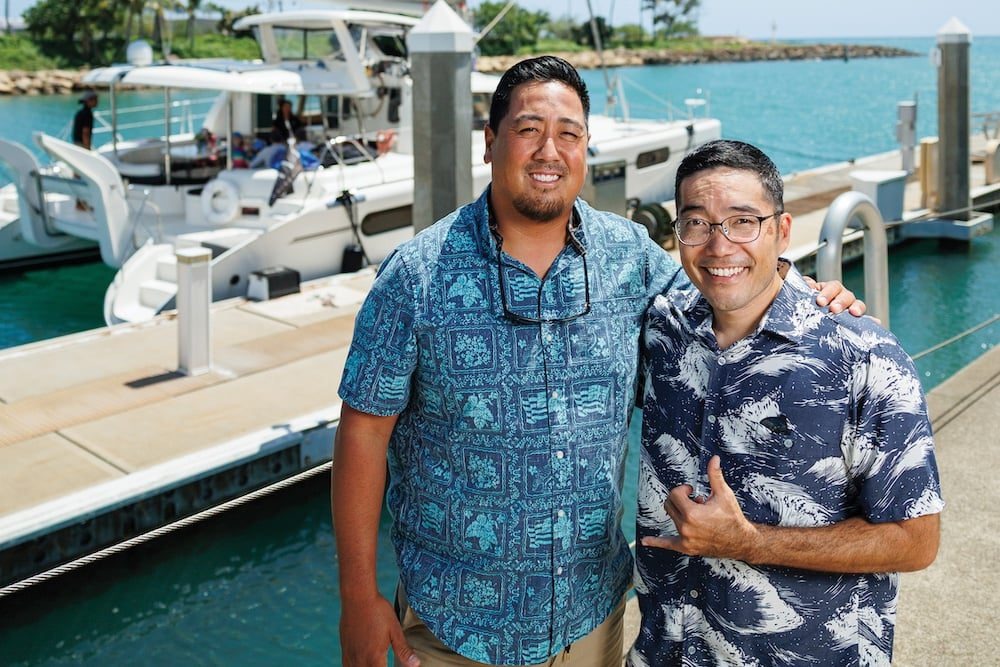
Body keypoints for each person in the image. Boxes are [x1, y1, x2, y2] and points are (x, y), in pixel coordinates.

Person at [332, 57, 863, 667]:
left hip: (592, 619)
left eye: (569, 133)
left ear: (585, 147)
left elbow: (723, 293)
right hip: (456, 626)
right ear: (491, 142)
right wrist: (357, 597)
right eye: (529, 129)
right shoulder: (416, 276)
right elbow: (362, 433)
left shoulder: (629, 256)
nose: (549, 151)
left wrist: (802, 289)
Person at [629, 139, 944, 666]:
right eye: (697, 223)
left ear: (782, 231)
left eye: (743, 222)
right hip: (666, 650)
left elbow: (916, 540)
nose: (719, 245)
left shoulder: (864, 356)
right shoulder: (664, 328)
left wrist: (747, 542)